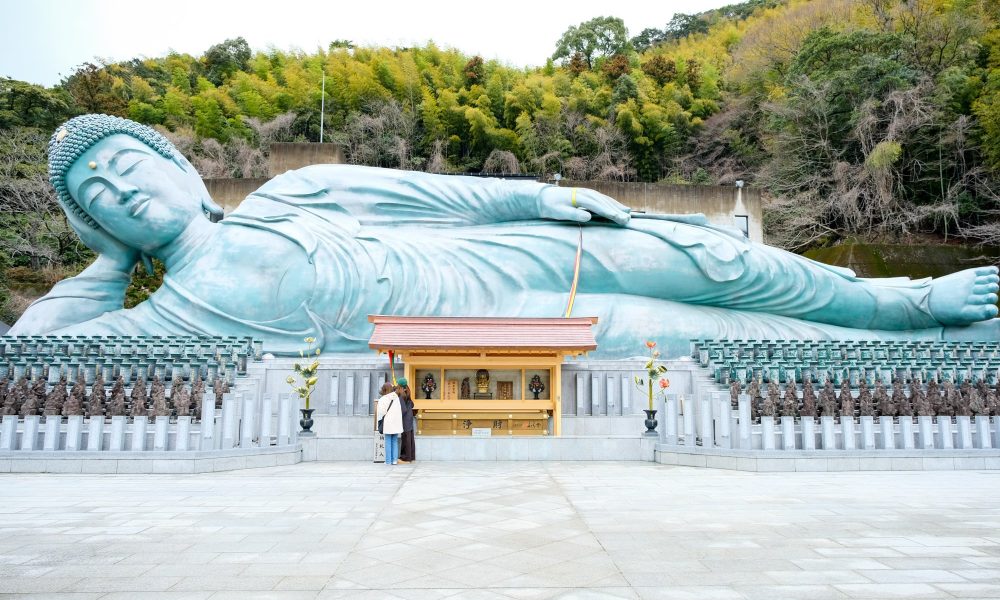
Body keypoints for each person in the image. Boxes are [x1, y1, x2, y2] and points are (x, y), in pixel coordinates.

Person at [10, 114, 1000, 358]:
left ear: (182, 167)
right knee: (711, 335)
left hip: (501, 255)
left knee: (713, 258)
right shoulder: (181, 313)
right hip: (489, 326)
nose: (123, 189)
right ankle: (913, 340)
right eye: (100, 194)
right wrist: (109, 264)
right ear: (93, 221)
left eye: (132, 164)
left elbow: (443, 198)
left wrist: (542, 198)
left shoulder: (296, 191)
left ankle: (903, 299)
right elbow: (32, 358)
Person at [375, 382, 402, 465]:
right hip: (396, 422)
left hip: (387, 422)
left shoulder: (383, 399)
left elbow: (381, 412)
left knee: (388, 440)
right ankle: (394, 460)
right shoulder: (396, 398)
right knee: (394, 441)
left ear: (384, 389)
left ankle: (388, 461)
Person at [397, 378, 416, 463]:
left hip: (404, 419)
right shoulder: (408, 392)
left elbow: (403, 410)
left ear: (400, 386)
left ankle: (405, 458)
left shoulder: (401, 395)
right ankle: (411, 457)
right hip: (410, 418)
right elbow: (412, 404)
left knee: (405, 439)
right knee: (410, 438)